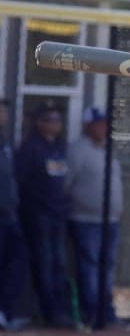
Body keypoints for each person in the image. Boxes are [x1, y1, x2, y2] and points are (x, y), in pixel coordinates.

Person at [15, 100, 73, 328]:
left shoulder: (58, 147)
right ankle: (49, 312)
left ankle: (60, 310)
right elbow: (20, 182)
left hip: (58, 215)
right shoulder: (30, 148)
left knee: (59, 263)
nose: (56, 124)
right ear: (39, 123)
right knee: (44, 264)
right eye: (51, 120)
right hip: (38, 216)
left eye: (59, 119)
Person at [65, 106, 123, 329]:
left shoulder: (108, 148)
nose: (103, 127)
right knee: (89, 267)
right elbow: (65, 183)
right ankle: (92, 313)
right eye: (98, 123)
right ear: (88, 126)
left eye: (105, 123)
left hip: (110, 220)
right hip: (85, 220)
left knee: (106, 267)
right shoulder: (78, 150)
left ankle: (105, 312)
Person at [0, 98, 29, 331]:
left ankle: (5, 312)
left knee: (17, 263)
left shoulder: (4, 141)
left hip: (9, 214)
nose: (3, 114)